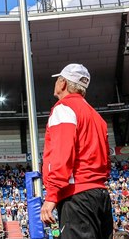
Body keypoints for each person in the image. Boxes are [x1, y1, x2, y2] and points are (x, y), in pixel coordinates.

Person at [40, 63, 113, 239]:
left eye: (58, 80)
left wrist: (51, 196)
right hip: (100, 194)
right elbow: (106, 160)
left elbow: (61, 155)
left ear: (63, 83)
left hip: (77, 196)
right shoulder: (97, 116)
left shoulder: (63, 109)